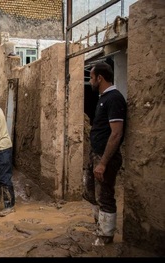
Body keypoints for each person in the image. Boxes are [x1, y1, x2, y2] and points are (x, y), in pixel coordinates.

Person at [83, 62, 127, 246]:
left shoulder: (114, 99)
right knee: (90, 192)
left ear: (99, 78)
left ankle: (105, 236)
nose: (90, 81)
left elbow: (116, 133)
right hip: (96, 154)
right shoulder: (103, 98)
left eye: (92, 78)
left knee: (105, 195)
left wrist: (103, 163)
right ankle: (99, 226)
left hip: (105, 157)